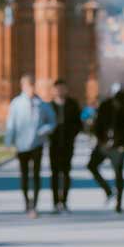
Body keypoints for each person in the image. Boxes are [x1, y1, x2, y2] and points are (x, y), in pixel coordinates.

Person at [4, 74, 56, 218]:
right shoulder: (16, 103)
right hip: (22, 145)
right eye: (28, 85)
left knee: (36, 175)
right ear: (23, 87)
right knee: (25, 175)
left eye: (33, 85)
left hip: (37, 144)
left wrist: (43, 131)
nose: (31, 88)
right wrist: (9, 142)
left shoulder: (42, 104)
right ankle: (27, 202)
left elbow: (52, 122)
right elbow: (11, 124)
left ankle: (35, 205)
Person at [48, 79, 82, 213]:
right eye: (58, 88)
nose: (60, 91)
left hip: (68, 144)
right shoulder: (49, 106)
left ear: (66, 89)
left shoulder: (73, 105)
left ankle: (65, 201)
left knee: (66, 173)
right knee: (55, 174)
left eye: (63, 88)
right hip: (54, 145)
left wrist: (72, 134)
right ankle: (55, 202)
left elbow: (78, 124)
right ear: (54, 90)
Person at [84, 84, 122, 203]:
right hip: (103, 145)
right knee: (92, 166)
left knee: (118, 173)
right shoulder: (105, 106)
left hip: (118, 146)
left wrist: (123, 143)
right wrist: (101, 141)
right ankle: (108, 190)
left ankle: (119, 203)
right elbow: (98, 125)